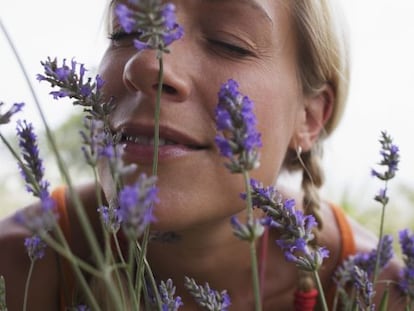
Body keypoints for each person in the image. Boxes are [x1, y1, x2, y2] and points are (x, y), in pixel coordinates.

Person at [0, 0, 406, 310]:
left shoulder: (379, 289)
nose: (147, 63)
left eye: (228, 42)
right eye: (126, 32)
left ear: (310, 117)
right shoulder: (18, 265)